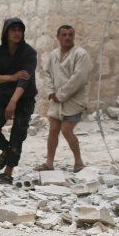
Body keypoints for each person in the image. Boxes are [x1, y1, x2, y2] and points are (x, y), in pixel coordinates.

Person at [0, 17, 37, 184]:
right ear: (6, 32)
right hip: (4, 97)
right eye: (13, 29)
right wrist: (12, 77)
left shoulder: (29, 53)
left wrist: (14, 102)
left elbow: (25, 80)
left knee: (17, 136)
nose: (17, 33)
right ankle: (6, 152)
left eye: (19, 30)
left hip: (24, 98)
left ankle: (7, 173)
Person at [37, 24, 91, 172]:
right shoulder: (54, 54)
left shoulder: (80, 54)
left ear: (73, 37)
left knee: (67, 130)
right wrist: (51, 92)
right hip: (56, 100)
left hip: (74, 100)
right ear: (58, 37)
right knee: (53, 129)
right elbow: (47, 73)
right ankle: (49, 163)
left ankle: (79, 162)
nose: (67, 37)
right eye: (64, 34)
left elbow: (78, 78)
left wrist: (61, 95)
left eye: (70, 35)